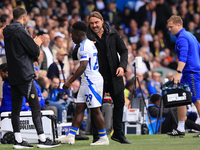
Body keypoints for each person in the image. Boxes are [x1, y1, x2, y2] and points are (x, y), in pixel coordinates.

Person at [3, 7, 60, 149]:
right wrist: (36, 43)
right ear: (24, 17)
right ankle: (42, 139)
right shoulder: (22, 31)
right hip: (24, 74)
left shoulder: (7, 31)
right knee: (35, 106)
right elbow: (34, 51)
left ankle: (18, 140)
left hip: (14, 75)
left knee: (15, 109)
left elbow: (20, 51)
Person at [55, 21, 109, 146]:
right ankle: (71, 136)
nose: (71, 36)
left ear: (78, 33)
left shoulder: (84, 46)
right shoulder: (87, 44)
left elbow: (83, 66)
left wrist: (69, 81)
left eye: (72, 34)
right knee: (79, 108)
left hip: (91, 82)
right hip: (87, 81)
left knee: (95, 110)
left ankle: (104, 138)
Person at [86, 11, 131, 144]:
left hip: (114, 75)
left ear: (102, 21)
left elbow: (123, 50)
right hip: (96, 77)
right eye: (92, 23)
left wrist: (122, 66)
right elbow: (76, 52)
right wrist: (88, 47)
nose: (94, 25)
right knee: (96, 107)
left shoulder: (113, 33)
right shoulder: (86, 37)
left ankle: (118, 133)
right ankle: (97, 136)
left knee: (119, 103)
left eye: (96, 22)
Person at [167, 15, 200, 137]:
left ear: (178, 25)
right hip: (190, 72)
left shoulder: (182, 38)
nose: (169, 29)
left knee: (196, 100)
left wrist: (178, 72)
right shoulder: (191, 36)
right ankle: (180, 128)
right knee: (182, 99)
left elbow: (183, 56)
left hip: (190, 73)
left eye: (171, 27)